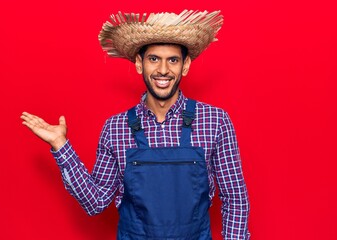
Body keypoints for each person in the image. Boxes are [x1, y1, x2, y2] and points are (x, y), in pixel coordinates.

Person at [21, 10, 250, 240]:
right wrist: (61, 146)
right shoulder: (116, 128)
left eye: (173, 60)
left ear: (185, 65)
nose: (163, 70)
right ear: (140, 64)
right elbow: (96, 202)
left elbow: (235, 198)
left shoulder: (215, 121)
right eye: (154, 59)